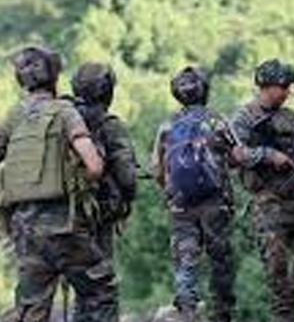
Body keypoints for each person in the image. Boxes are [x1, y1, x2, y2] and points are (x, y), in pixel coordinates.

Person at [0, 46, 115, 322]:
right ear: (54, 75)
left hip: (24, 230)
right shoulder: (64, 111)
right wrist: (79, 183)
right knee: (101, 291)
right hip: (64, 225)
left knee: (32, 306)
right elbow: (94, 166)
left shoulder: (14, 116)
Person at [231, 59, 294, 322]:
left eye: (288, 87)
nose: (287, 92)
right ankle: (284, 314)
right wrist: (268, 155)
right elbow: (235, 154)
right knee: (276, 261)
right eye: (283, 87)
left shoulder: (290, 117)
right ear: (267, 86)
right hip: (267, 200)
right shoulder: (244, 118)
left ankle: (290, 308)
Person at [150, 66, 236, 322]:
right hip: (215, 203)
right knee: (220, 260)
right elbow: (237, 157)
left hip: (181, 205)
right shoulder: (217, 120)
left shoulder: (167, 125)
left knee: (185, 259)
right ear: (204, 90)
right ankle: (222, 314)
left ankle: (187, 311)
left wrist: (170, 189)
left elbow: (156, 168)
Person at [69, 62, 137, 315]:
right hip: (97, 216)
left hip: (60, 214)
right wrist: (127, 202)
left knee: (81, 286)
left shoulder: (64, 119)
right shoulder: (109, 124)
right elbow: (127, 176)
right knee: (102, 286)